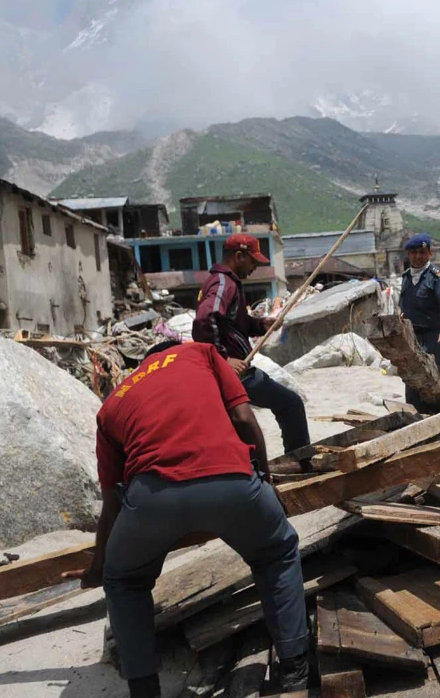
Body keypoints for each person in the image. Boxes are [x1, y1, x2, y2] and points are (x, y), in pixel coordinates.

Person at [65, 341, 309, 698]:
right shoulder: (201, 353)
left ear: (146, 362)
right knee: (277, 553)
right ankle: (294, 674)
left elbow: (111, 503)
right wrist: (265, 479)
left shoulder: (114, 401)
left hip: (152, 498)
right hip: (232, 484)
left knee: (125, 583)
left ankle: (144, 690)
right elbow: (244, 419)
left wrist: (99, 567)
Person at [194, 234, 309, 453]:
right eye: (253, 261)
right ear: (239, 256)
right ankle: (299, 460)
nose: (255, 267)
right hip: (234, 373)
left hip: (232, 369)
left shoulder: (226, 283)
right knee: (291, 403)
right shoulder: (222, 283)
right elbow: (205, 318)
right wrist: (223, 360)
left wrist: (260, 325)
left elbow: (235, 323)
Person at [399, 233, 440, 412]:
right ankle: (418, 416)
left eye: (422, 252)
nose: (418, 256)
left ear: (430, 254)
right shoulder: (406, 277)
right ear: (408, 255)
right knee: (413, 378)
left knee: (437, 379)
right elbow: (405, 305)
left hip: (433, 337)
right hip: (412, 337)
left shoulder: (438, 277)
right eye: (414, 252)